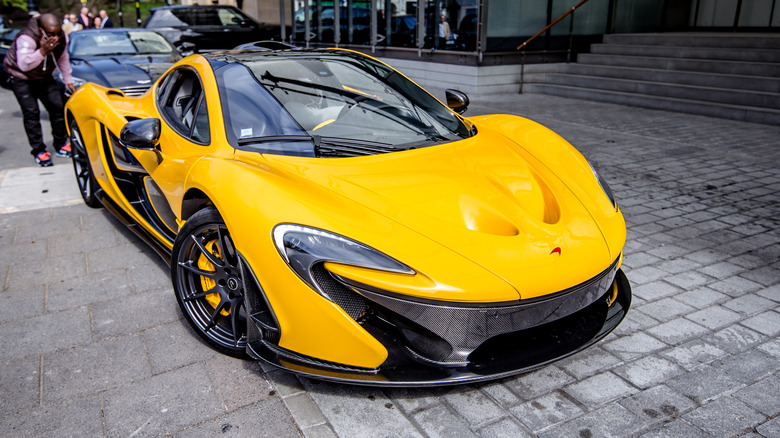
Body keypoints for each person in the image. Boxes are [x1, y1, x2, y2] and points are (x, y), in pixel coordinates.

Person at [2, 13, 76, 166]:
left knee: (57, 107)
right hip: (21, 77)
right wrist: (42, 51)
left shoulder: (62, 37)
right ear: (41, 29)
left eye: (57, 32)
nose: (55, 37)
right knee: (31, 112)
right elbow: (24, 65)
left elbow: (63, 58)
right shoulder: (26, 38)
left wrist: (67, 79)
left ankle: (61, 144)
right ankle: (39, 150)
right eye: (50, 34)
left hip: (44, 76)